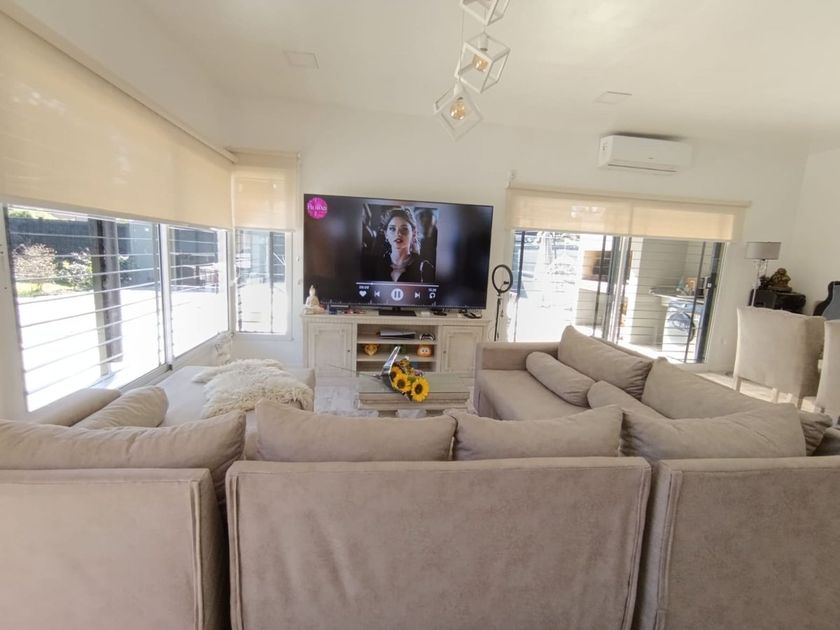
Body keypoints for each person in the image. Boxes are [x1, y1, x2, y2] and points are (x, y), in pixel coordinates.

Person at [377, 207, 434, 283]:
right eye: (392, 229)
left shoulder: (425, 268)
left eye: (404, 229)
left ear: (413, 233)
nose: (398, 233)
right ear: (386, 233)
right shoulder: (375, 265)